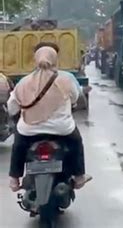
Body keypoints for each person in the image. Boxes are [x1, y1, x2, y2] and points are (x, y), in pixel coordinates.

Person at [8, 46, 92, 192]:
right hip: (61, 129)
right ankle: (79, 177)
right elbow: (75, 99)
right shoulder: (66, 80)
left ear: (36, 60)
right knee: (76, 142)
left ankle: (14, 180)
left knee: (18, 145)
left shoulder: (23, 82)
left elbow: (12, 107)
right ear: (55, 60)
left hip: (29, 130)